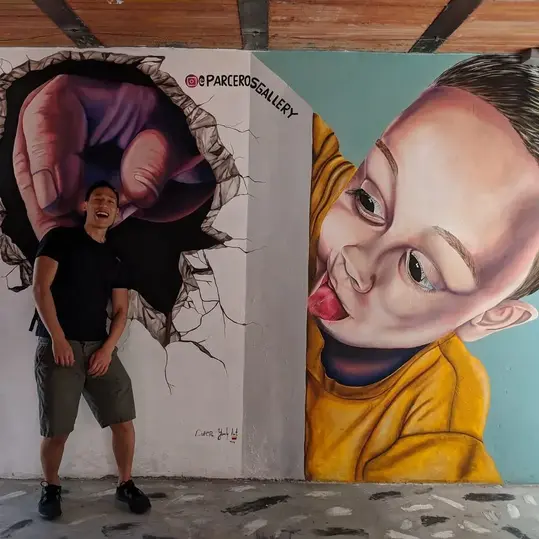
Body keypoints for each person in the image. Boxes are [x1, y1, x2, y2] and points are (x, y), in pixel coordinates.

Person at [307, 54, 539, 483]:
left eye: (417, 269)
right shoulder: (315, 193)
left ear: (490, 317)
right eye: (369, 202)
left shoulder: (435, 422)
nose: (357, 260)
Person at [32, 181, 151, 519]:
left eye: (110, 201)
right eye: (97, 198)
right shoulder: (59, 238)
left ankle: (125, 483)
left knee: (123, 420)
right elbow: (41, 289)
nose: (104, 204)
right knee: (57, 429)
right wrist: (58, 338)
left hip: (99, 347)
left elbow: (121, 310)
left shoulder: (116, 257)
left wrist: (108, 349)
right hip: (59, 346)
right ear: (85, 206)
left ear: (116, 213)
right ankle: (50, 486)